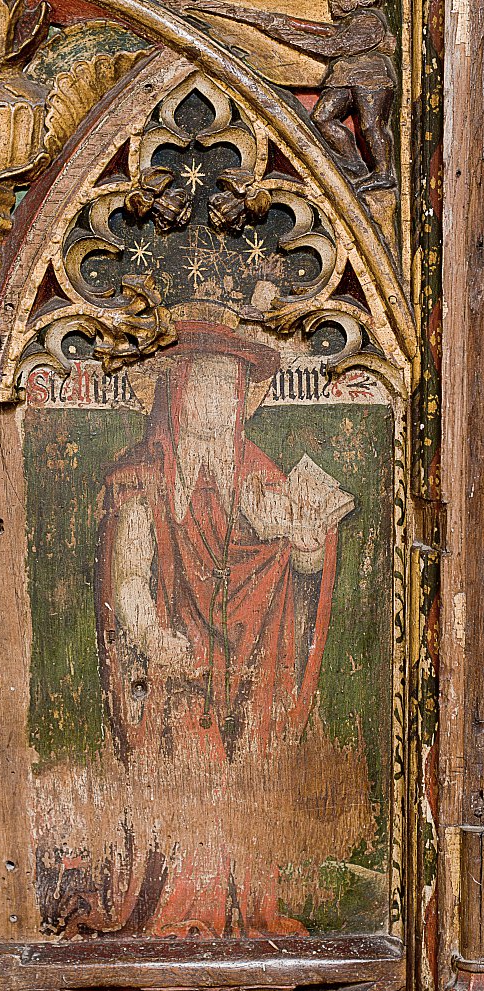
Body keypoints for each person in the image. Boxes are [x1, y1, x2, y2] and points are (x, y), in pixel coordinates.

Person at [94, 304, 354, 935]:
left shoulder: (259, 476)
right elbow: (126, 577)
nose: (215, 406)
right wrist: (155, 637)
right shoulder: (143, 478)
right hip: (176, 668)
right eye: (202, 389)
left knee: (249, 775)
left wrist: (310, 543)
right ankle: (182, 916)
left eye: (227, 391)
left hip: (251, 666)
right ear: (174, 397)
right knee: (191, 775)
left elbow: (293, 569)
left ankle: (244, 910)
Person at [188, 0, 397, 191]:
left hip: (371, 78)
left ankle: (383, 173)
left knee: (370, 125)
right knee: (322, 117)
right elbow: (327, 30)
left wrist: (286, 34)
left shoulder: (369, 22)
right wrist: (277, 23)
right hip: (343, 77)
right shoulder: (351, 21)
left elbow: (332, 46)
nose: (333, 3)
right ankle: (353, 165)